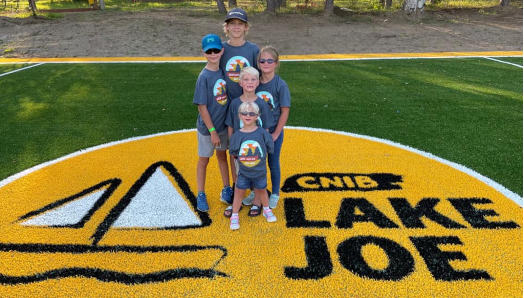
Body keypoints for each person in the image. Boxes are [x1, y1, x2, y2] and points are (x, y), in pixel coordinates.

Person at [243, 46, 291, 209]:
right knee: (255, 163)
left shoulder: (280, 84)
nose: (266, 63)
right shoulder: (254, 82)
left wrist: (277, 133)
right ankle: (255, 191)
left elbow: (285, 111)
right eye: (262, 60)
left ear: (276, 63)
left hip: (272, 133)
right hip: (255, 131)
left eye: (270, 60)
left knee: (272, 162)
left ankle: (275, 193)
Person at [224, 66, 274, 217]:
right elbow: (231, 126)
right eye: (246, 79)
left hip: (257, 149)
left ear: (258, 82)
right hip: (240, 149)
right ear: (240, 83)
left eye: (253, 79)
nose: (249, 82)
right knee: (239, 174)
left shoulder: (262, 104)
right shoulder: (234, 104)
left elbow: (266, 129)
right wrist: (232, 146)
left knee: (258, 174)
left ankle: (257, 202)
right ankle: (236, 203)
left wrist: (264, 148)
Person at [193, 33, 234, 212]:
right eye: (209, 51)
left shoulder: (223, 71)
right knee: (204, 160)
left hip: (223, 126)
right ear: (203, 52)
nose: (213, 53)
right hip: (208, 129)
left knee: (222, 156)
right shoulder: (204, 76)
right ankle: (200, 193)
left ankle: (226, 188)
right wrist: (212, 131)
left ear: (222, 51)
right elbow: (202, 107)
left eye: (216, 50)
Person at [228, 101, 276, 230]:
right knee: (239, 192)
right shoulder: (236, 136)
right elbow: (233, 153)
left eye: (251, 113)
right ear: (239, 116)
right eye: (244, 113)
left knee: (262, 190)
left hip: (260, 171)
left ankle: (266, 209)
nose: (247, 115)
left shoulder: (263, 134)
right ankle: (234, 215)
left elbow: (269, 148)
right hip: (243, 172)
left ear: (256, 116)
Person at [220, 7, 260, 100]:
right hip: (225, 102)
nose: (236, 27)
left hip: (247, 104)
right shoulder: (220, 49)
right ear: (227, 27)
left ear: (246, 27)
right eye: (232, 23)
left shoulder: (253, 49)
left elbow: (259, 77)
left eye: (240, 24)